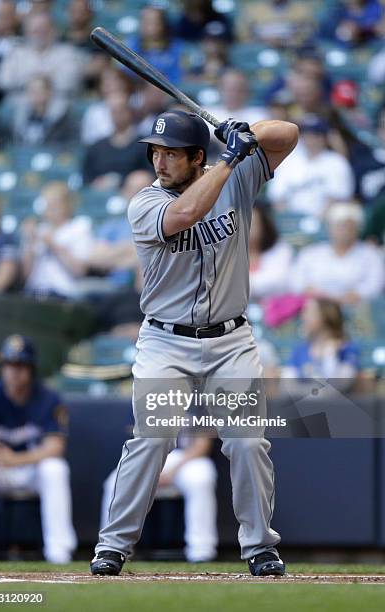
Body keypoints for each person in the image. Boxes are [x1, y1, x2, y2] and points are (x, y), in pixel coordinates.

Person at [90, 109, 299, 577]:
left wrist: (240, 130)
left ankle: (260, 547)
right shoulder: (145, 203)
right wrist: (230, 159)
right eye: (156, 152)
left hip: (231, 339)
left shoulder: (235, 173)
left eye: (171, 154)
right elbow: (188, 212)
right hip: (166, 342)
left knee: (247, 442)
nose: (160, 162)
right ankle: (114, 545)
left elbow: (288, 134)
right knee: (153, 436)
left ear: (195, 157)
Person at [0, 335, 77, 563]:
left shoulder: (48, 398)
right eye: (9, 365)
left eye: (20, 365)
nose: (14, 371)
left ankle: (59, 551)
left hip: (31, 468)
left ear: (31, 369)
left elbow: (55, 447)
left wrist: (17, 460)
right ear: (1, 367)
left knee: (55, 468)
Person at [101, 436, 218, 563]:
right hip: (148, 457)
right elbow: (137, 444)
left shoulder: (199, 414)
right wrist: (152, 468)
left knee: (200, 479)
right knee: (114, 483)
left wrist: (171, 471)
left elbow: (202, 445)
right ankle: (112, 550)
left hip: (187, 459)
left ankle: (201, 551)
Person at [290, 201, 384, 303]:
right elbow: (296, 282)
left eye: (349, 226)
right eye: (339, 226)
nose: (344, 231)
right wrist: (319, 295)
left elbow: (375, 285)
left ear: (358, 228)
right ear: (330, 228)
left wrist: (350, 297)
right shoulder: (311, 253)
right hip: (316, 307)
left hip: (357, 310)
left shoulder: (371, 255)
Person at [267, 114, 355, 216]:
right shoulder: (287, 160)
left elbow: (337, 199)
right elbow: (277, 198)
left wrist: (316, 222)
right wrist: (288, 219)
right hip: (290, 221)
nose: (310, 139)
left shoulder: (336, 162)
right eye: (306, 134)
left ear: (325, 138)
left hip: (324, 222)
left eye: (315, 135)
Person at [21, 181, 94, 299]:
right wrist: (29, 243)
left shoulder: (79, 227)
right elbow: (25, 275)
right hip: (33, 292)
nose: (50, 208)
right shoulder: (40, 229)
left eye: (55, 204)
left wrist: (52, 244)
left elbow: (79, 270)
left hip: (63, 293)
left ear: (67, 205)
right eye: (47, 203)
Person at [0, 10, 86, 103]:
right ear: (27, 32)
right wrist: (38, 80)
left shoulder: (67, 52)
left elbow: (70, 82)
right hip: (20, 103)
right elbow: (2, 81)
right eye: (35, 31)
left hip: (57, 103)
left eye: (44, 29)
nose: (40, 34)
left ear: (54, 30)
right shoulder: (16, 53)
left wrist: (39, 83)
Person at [282, 298, 360, 382]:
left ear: (325, 317)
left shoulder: (346, 349)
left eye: (309, 313)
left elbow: (341, 384)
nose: (303, 317)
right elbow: (288, 385)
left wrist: (330, 356)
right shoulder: (299, 350)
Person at [82, 92, 150, 188]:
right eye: (114, 111)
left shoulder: (144, 144)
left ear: (130, 112)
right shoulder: (97, 146)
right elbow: (87, 177)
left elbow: (148, 176)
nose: (117, 115)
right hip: (101, 194)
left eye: (121, 110)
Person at [10, 74, 78, 145]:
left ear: (49, 92)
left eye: (39, 90)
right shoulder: (20, 117)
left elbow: (71, 144)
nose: (35, 94)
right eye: (32, 90)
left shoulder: (63, 118)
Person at [249, 205, 293, 300]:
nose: (247, 229)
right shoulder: (227, 253)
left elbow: (278, 281)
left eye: (252, 224)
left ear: (264, 226)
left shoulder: (281, 249)